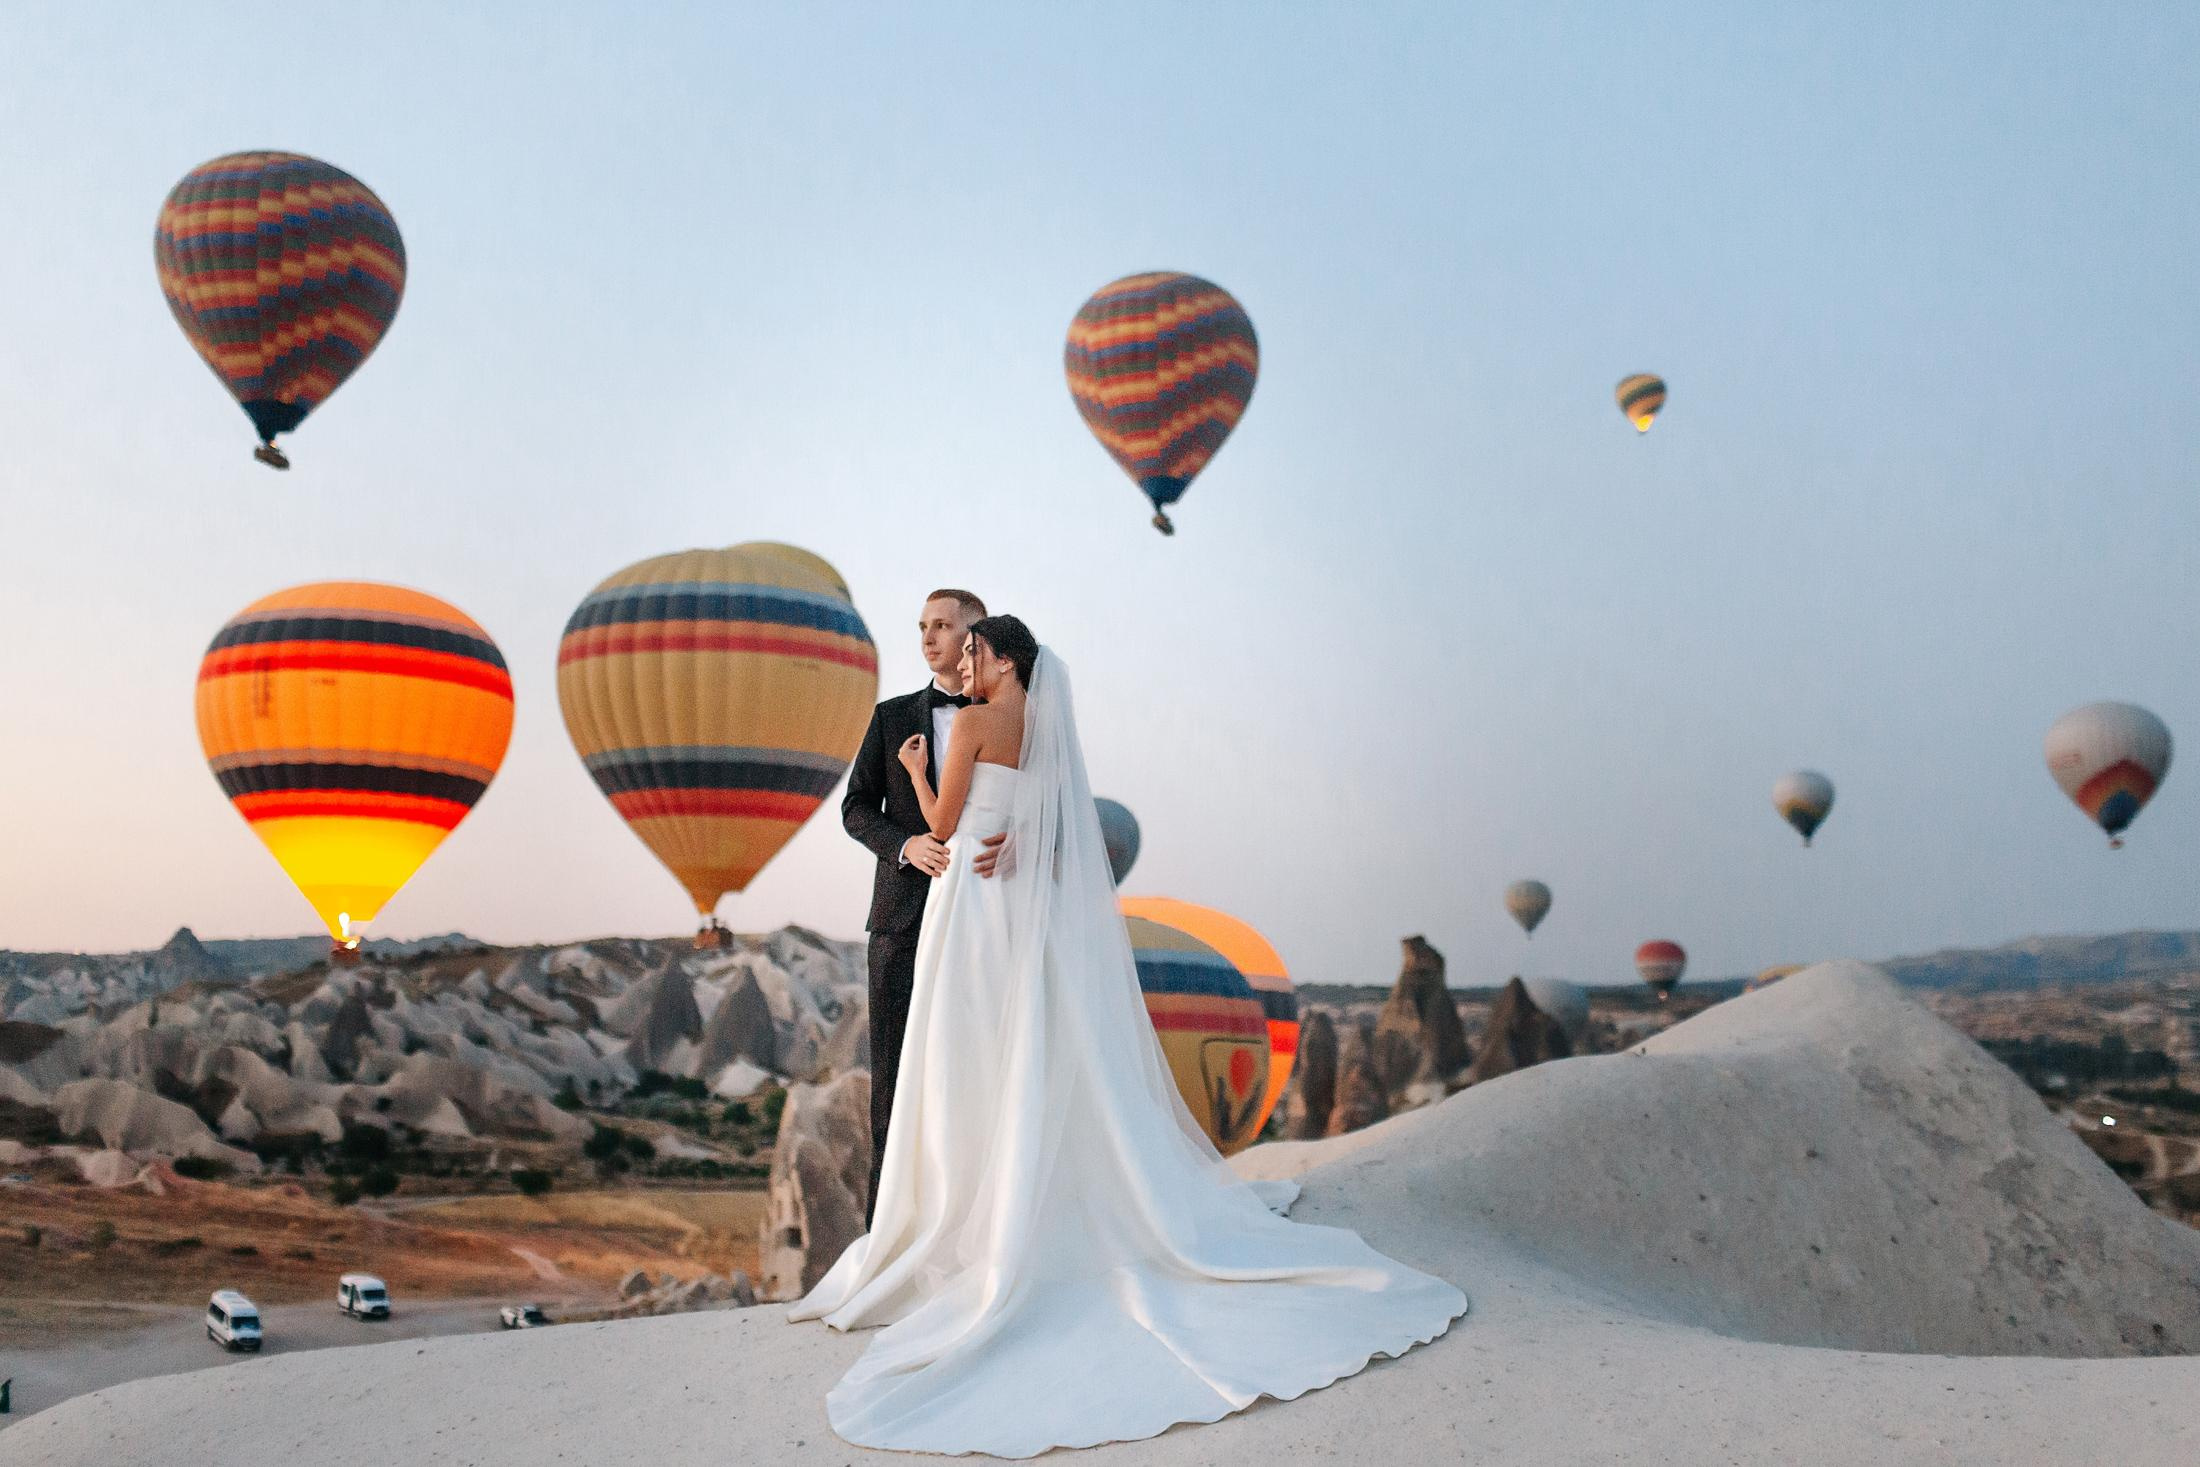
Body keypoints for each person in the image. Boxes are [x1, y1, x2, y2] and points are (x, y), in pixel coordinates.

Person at [793, 617, 1466, 1457]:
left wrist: (918, 771)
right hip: (1015, 909)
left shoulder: (965, 722)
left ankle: (965, 1216)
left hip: (969, 901)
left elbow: (948, 820)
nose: (959, 658)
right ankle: (1030, 1198)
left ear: (1002, 659)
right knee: (1022, 1042)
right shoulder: (1042, 725)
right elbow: (1046, 822)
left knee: (961, 1048)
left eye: (972, 649)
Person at [841, 589, 1004, 1225]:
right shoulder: (890, 718)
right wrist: (905, 844)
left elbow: (1036, 805)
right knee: (895, 1085)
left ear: (975, 635)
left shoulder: (1009, 715)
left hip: (987, 919)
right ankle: (884, 1238)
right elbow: (857, 808)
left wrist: (1014, 842)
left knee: (980, 1075)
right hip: (902, 924)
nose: (929, 638)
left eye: (943, 626)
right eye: (922, 627)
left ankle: (976, 1228)